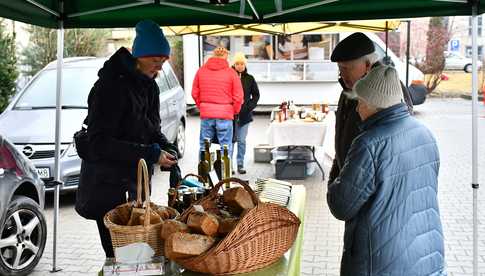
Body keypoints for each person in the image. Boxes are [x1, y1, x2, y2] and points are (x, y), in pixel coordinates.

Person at [327, 65, 446, 276]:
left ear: (376, 105)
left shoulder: (368, 144)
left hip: (381, 262)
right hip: (426, 254)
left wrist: (335, 175)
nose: (357, 109)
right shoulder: (425, 134)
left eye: (361, 102)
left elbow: (341, 205)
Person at [75, 20, 178, 259]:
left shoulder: (149, 86)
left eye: (163, 62)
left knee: (139, 256)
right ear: (139, 56)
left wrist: (165, 145)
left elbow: (152, 129)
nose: (160, 68)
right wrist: (151, 154)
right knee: (120, 258)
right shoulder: (109, 88)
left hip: (135, 186)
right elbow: (100, 143)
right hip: (108, 188)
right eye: (156, 61)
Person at [328, 32, 414, 184]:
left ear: (367, 65)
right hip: (347, 183)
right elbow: (341, 140)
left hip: (371, 188)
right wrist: (334, 179)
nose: (342, 75)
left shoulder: (390, 90)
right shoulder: (346, 90)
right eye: (340, 68)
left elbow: (399, 145)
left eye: (347, 68)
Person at [192, 47, 243, 158]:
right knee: (225, 147)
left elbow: (194, 93)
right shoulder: (231, 73)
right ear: (225, 57)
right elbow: (239, 97)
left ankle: (203, 174)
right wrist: (233, 111)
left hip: (206, 114)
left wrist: (202, 106)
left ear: (213, 56)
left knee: (204, 146)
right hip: (225, 114)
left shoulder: (201, 71)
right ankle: (225, 174)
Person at [231, 52, 260, 174]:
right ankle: (229, 166)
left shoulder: (250, 78)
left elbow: (256, 94)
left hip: (245, 116)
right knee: (231, 142)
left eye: (242, 63)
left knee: (242, 141)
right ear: (234, 64)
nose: (239, 66)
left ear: (245, 64)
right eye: (237, 63)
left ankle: (240, 164)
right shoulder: (229, 77)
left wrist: (249, 106)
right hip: (231, 116)